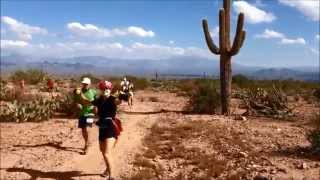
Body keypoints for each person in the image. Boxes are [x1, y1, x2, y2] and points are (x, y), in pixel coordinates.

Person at [92, 80, 122, 179]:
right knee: (103, 151)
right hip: (102, 127)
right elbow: (90, 103)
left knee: (106, 153)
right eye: (103, 88)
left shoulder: (112, 99)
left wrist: (121, 95)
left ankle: (112, 176)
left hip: (111, 127)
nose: (105, 90)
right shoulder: (99, 99)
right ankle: (107, 169)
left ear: (110, 90)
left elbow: (118, 101)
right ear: (100, 90)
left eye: (107, 88)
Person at [74, 77, 97, 155]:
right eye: (83, 84)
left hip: (90, 113)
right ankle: (87, 142)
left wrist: (95, 107)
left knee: (87, 128)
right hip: (81, 113)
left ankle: (86, 145)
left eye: (86, 84)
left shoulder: (93, 92)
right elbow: (76, 101)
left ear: (89, 84)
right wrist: (77, 105)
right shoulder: (78, 92)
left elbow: (96, 102)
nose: (85, 85)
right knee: (83, 130)